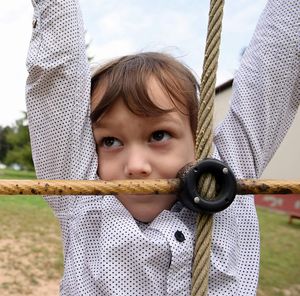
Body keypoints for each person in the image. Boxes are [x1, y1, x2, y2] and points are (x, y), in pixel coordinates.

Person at [26, 0, 299, 295]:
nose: (136, 166)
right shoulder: (80, 197)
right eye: (110, 142)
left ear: (197, 140)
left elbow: (279, 57)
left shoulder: (229, 172)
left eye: (159, 135)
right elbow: (56, 76)